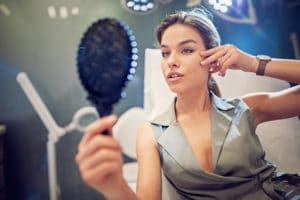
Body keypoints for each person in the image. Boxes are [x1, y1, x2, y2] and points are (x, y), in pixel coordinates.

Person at [75, 7, 300, 200]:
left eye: (187, 50)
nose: (171, 61)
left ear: (211, 59)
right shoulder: (150, 134)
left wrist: (252, 63)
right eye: (165, 53)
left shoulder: (247, 109)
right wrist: (115, 187)